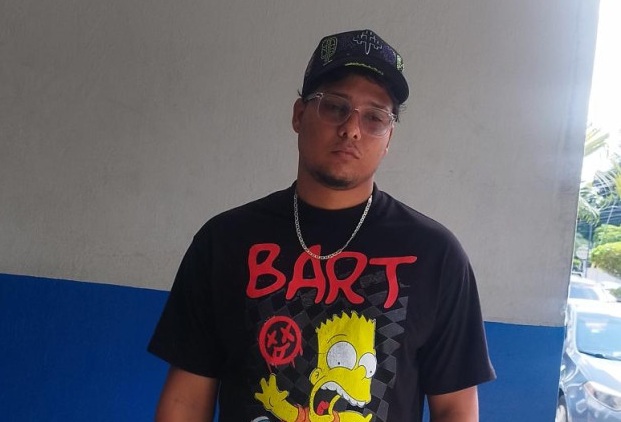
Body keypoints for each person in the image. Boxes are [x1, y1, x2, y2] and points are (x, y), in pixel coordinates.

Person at [148, 29, 496, 422]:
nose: (352, 129)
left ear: (389, 138)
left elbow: (455, 409)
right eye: (334, 106)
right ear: (299, 115)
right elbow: (185, 401)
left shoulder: (435, 255)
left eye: (375, 117)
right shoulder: (224, 242)